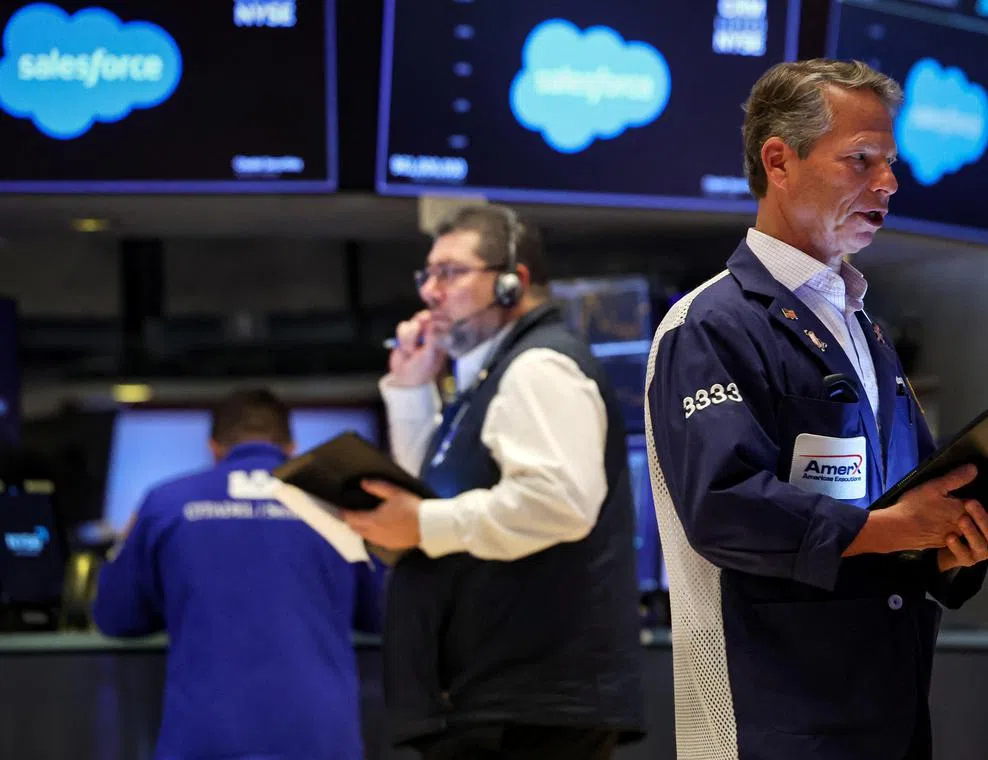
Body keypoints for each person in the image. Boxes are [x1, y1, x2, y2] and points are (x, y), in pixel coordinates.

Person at [644, 59, 988, 760]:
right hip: (768, 719)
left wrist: (956, 540)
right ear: (779, 161)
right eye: (860, 160)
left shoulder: (862, 327)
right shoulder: (710, 324)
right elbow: (725, 509)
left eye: (891, 163)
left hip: (885, 709)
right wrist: (892, 527)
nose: (888, 184)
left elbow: (902, 510)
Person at [341, 204, 645, 760]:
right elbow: (424, 494)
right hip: (498, 703)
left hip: (532, 710)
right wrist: (410, 390)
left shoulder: (539, 367)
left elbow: (558, 504)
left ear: (513, 282)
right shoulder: (485, 379)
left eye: (450, 273)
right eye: (426, 274)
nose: (431, 291)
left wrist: (422, 524)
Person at [93, 389, 384, 760]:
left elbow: (116, 617)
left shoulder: (165, 502)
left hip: (205, 739)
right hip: (320, 739)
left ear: (213, 447)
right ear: (291, 447)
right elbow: (382, 614)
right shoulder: (339, 507)